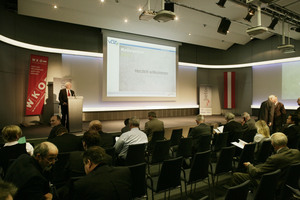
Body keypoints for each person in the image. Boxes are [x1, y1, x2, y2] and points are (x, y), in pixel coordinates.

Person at [232, 132, 300, 188]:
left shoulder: (275, 158)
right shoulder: (296, 152)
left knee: (236, 175)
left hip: (271, 184)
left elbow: (255, 173)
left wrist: (249, 165)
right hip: (287, 182)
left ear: (273, 144)